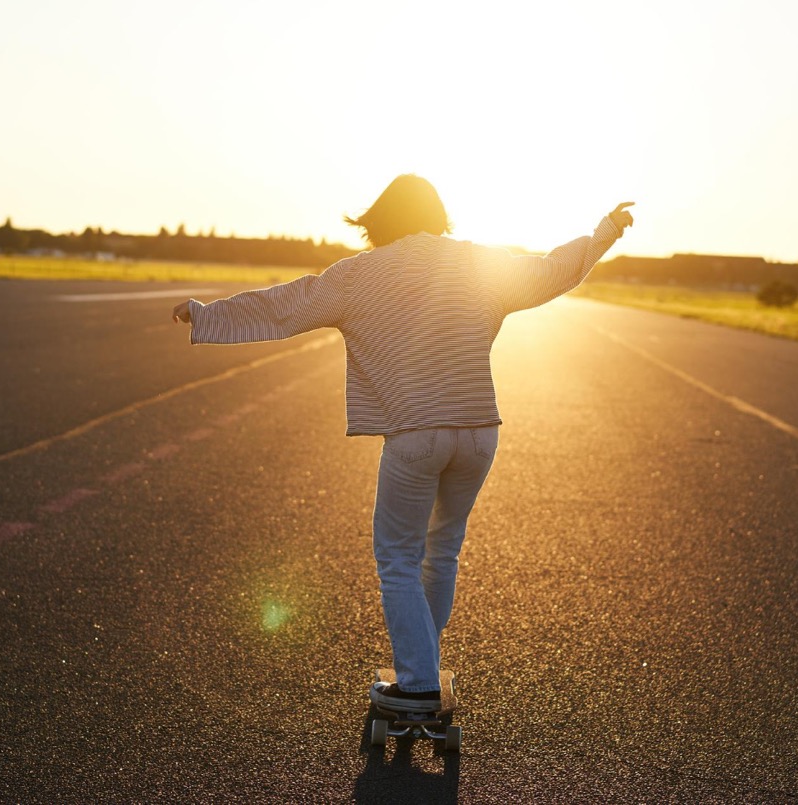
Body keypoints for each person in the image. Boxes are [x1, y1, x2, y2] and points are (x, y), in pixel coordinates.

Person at [173, 174, 634, 712]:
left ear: (379, 220)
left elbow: (285, 306)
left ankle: (416, 682)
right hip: (480, 432)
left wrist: (207, 315)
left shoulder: (359, 274)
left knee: (397, 557)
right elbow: (551, 271)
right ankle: (424, 666)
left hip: (416, 434)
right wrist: (605, 232)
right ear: (438, 216)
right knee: (442, 551)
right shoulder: (477, 264)